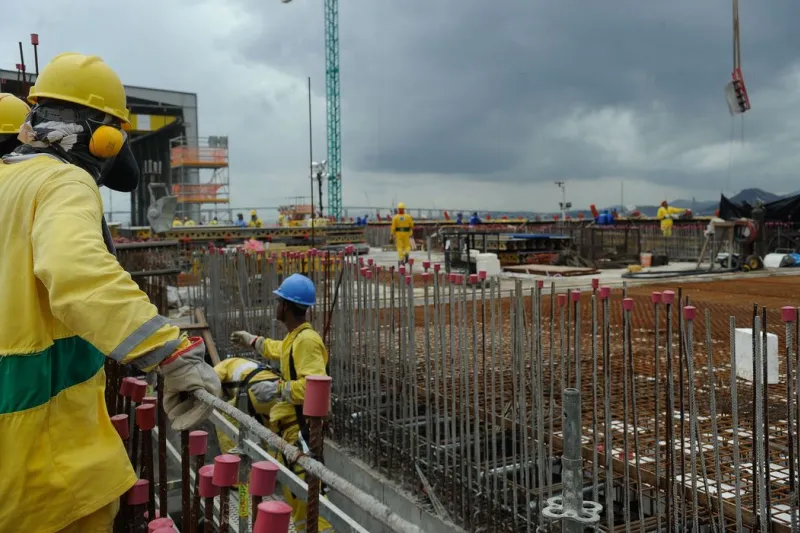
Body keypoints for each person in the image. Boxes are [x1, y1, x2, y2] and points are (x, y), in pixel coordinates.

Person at [0, 52, 222, 533]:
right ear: (102, 136)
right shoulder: (64, 181)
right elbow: (73, 269)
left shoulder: (6, 180)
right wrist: (170, 352)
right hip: (48, 467)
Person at [230, 274, 333, 533]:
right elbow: (280, 349)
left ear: (286, 306)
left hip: (302, 431)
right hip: (289, 431)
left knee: (308, 499)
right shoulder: (296, 337)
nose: (275, 306)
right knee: (296, 496)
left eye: (278, 301)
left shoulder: (306, 341)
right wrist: (252, 340)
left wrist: (277, 389)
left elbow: (314, 386)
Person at [390, 201, 414, 265]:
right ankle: (406, 253)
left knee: (399, 247)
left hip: (398, 234)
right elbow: (412, 225)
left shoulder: (395, 217)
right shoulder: (408, 217)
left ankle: (401, 259)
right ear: (404, 209)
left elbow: (393, 227)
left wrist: (392, 235)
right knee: (407, 246)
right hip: (406, 233)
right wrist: (410, 232)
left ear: (398, 209)